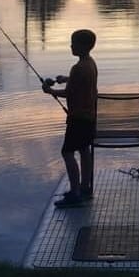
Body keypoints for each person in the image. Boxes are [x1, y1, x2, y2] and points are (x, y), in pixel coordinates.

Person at [43, 28, 98, 208]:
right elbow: (79, 83)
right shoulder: (90, 64)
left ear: (83, 46)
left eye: (73, 43)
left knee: (67, 152)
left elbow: (68, 93)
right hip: (89, 116)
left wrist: (50, 91)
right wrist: (66, 78)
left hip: (78, 119)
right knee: (84, 150)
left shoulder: (77, 68)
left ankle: (74, 193)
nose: (71, 46)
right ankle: (85, 188)